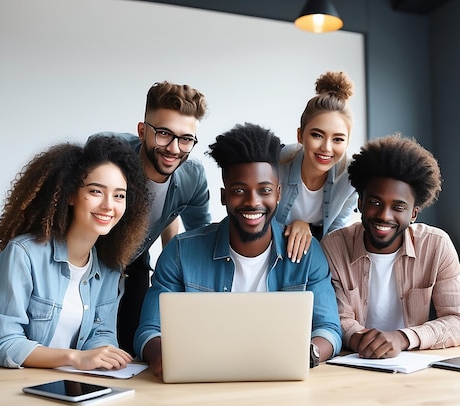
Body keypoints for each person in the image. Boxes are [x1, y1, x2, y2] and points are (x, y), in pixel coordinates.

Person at [134, 122, 342, 378]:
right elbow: (149, 330)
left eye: (264, 190)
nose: (253, 202)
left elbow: (329, 329)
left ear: (278, 193)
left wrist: (308, 353)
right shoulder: (180, 252)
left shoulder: (307, 253)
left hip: (282, 387)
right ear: (224, 196)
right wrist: (163, 355)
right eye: (239, 191)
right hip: (200, 383)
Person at [0, 136, 150, 369]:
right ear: (70, 195)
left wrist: (105, 354)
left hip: (55, 387)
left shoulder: (110, 267)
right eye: (96, 191)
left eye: (119, 195)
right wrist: (74, 358)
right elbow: (2, 343)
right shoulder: (24, 254)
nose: (109, 205)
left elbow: (101, 334)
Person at [320, 133, 460, 359]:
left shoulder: (436, 245)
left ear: (413, 213)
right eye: (374, 202)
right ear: (360, 203)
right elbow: (336, 318)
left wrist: (403, 338)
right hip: (352, 364)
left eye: (398, 207)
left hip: (411, 368)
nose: (384, 215)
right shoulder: (334, 246)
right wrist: (361, 340)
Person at [91, 81, 211, 355]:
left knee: (131, 349)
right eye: (164, 134)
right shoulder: (108, 153)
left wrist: (175, 276)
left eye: (186, 139)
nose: (173, 148)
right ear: (142, 131)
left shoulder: (192, 177)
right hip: (90, 259)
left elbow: (200, 238)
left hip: (135, 263)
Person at [277, 71, 358, 263]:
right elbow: (261, 221)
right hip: (275, 247)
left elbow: (335, 233)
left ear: (347, 142)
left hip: (315, 253)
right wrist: (297, 226)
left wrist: (308, 230)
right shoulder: (276, 163)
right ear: (300, 135)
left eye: (338, 139)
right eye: (317, 135)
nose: (326, 148)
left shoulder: (352, 177)